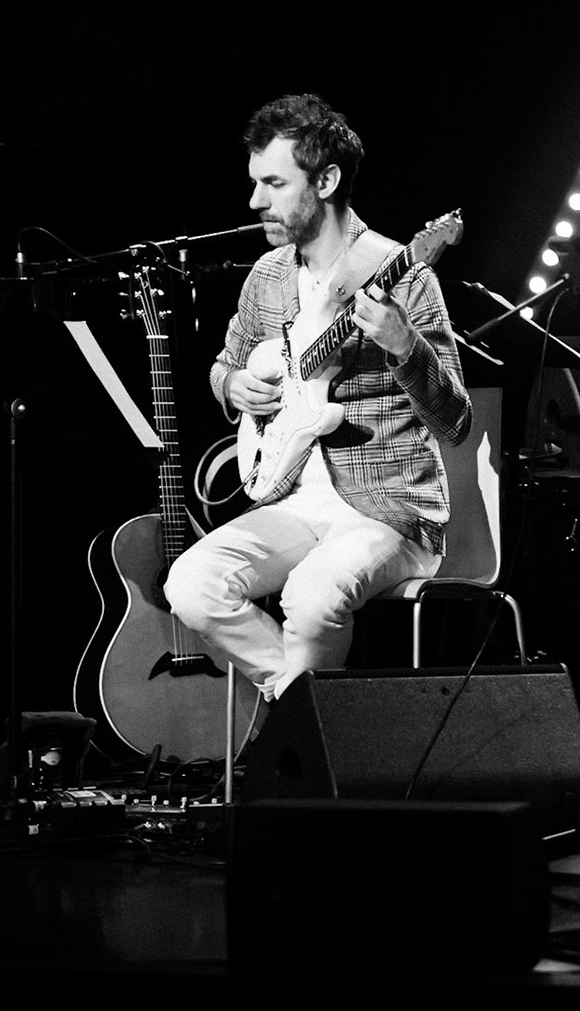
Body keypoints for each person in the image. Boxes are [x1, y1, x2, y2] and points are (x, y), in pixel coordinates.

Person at [165, 94, 471, 702]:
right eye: (255, 183)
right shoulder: (268, 276)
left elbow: (456, 421)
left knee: (308, 598)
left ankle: (304, 746)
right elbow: (224, 365)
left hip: (389, 510)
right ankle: (310, 718)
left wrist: (405, 347)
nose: (255, 201)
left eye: (274, 183)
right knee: (191, 583)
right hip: (295, 500)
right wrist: (232, 385)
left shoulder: (403, 272)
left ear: (326, 180)